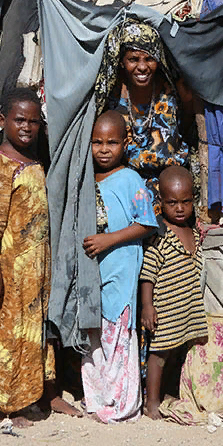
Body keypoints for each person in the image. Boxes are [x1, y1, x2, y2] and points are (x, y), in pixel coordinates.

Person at [0, 88, 79, 423]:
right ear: (2, 121)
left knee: (37, 333)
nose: (27, 127)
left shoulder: (32, 162)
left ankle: (43, 394)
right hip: (10, 266)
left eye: (34, 122)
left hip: (36, 268)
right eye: (19, 120)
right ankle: (6, 403)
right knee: (9, 335)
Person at [80, 110, 157, 423]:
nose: (103, 148)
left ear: (125, 144)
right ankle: (98, 400)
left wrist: (108, 240)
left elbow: (147, 222)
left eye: (112, 142)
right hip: (91, 274)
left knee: (118, 338)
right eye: (97, 142)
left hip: (120, 273)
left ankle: (123, 405)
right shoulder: (85, 178)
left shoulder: (129, 179)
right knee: (93, 339)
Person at [139, 165, 209, 419]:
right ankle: (152, 402)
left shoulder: (193, 232)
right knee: (159, 355)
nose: (179, 208)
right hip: (166, 310)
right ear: (160, 202)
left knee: (179, 353)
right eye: (172, 203)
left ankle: (171, 391)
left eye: (185, 202)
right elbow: (147, 274)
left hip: (188, 309)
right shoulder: (161, 237)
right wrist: (148, 306)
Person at [100, 20, 193, 211]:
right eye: (133, 59)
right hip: (124, 188)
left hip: (171, 191)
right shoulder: (110, 97)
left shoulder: (171, 92)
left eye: (149, 59)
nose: (142, 67)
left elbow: (189, 127)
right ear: (121, 62)